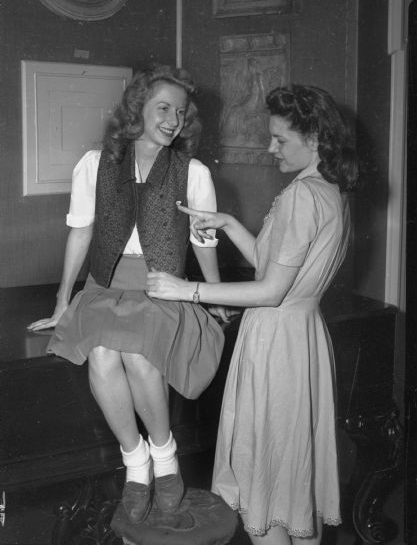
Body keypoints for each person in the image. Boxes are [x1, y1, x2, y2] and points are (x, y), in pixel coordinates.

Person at [146, 84, 359, 544]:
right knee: (291, 487)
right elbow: (275, 266)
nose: (269, 148)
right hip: (301, 339)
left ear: (317, 138)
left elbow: (271, 290)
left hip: (276, 344)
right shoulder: (328, 191)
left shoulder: (303, 196)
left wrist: (187, 288)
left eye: (280, 139)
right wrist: (229, 224)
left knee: (263, 488)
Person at [28, 64, 227, 524]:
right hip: (105, 285)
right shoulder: (95, 164)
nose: (174, 119)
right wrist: (62, 301)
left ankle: (166, 456)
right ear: (137, 108)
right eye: (163, 108)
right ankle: (135, 463)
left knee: (137, 356)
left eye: (180, 111)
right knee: (100, 354)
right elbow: (80, 234)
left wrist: (212, 296)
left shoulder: (192, 172)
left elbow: (204, 242)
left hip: (162, 287)